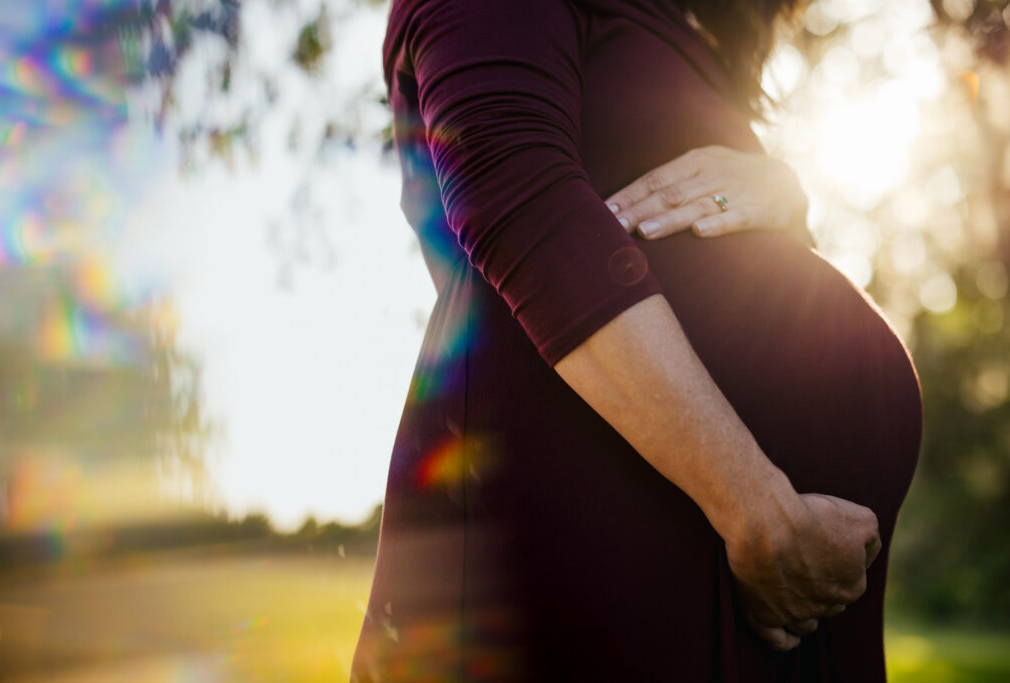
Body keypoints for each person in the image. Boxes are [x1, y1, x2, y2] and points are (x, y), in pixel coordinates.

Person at [352, 0, 922, 680]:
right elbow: (513, 190)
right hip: (622, 546)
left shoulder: (684, 27)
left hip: (781, 589)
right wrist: (753, 505)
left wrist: (786, 198)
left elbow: (737, 264)